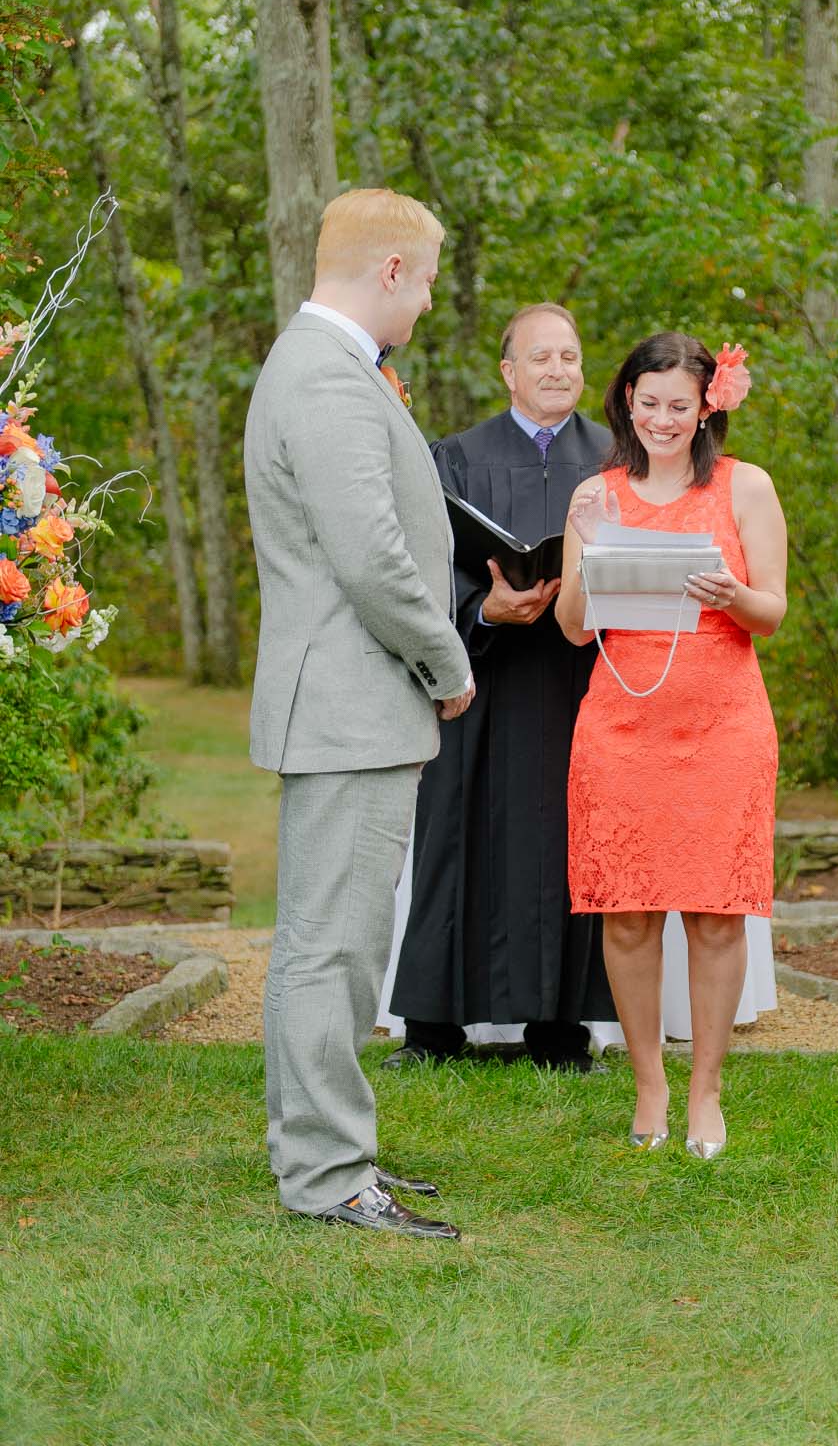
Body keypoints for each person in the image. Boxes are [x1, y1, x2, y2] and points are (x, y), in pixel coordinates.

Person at [245, 188, 474, 1242]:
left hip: (348, 700)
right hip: (350, 697)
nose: (426, 300)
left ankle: (329, 1145)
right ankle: (329, 1171)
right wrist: (445, 657)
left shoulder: (329, 367)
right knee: (331, 945)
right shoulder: (328, 377)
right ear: (388, 270)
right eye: (424, 278)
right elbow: (371, 557)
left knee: (331, 938)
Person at [556, 332, 787, 1159]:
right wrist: (582, 544)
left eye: (677, 406)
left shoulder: (744, 487)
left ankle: (707, 1092)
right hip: (621, 725)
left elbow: (773, 611)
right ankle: (648, 1085)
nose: (659, 419)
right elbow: (576, 630)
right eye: (644, 403)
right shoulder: (597, 494)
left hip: (722, 722)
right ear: (624, 401)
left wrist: (732, 594)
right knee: (626, 915)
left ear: (706, 408)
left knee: (718, 917)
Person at [387, 303, 615, 1069]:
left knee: (569, 845)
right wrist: (484, 606)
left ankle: (559, 1029)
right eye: (541, 357)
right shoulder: (454, 455)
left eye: (571, 357)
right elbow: (422, 563)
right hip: (480, 678)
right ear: (508, 372)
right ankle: (432, 1028)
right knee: (455, 836)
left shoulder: (617, 461)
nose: (559, 370)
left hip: (577, 683)